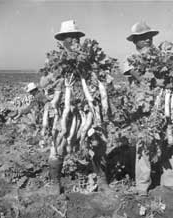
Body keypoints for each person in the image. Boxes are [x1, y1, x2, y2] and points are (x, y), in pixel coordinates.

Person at [45, 19, 112, 195]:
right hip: (64, 109)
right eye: (69, 37)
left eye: (76, 36)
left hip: (86, 109)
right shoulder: (56, 61)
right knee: (58, 145)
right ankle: (55, 182)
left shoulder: (89, 61)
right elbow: (44, 82)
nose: (74, 40)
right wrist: (55, 81)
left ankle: (102, 181)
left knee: (97, 144)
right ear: (62, 40)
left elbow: (100, 79)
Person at [123, 21, 173, 196]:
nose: (147, 40)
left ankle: (170, 182)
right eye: (142, 38)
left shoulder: (164, 56)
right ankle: (142, 186)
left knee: (171, 140)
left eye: (149, 36)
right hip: (144, 107)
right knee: (145, 143)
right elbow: (141, 78)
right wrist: (160, 81)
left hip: (166, 104)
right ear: (135, 41)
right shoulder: (129, 60)